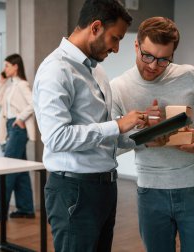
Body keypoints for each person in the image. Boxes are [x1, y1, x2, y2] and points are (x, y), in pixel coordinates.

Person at [32, 1, 149, 251]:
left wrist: (146, 137)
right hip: (74, 192)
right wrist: (117, 124)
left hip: (105, 188)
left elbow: (107, 140)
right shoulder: (56, 70)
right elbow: (57, 138)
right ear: (95, 27)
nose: (117, 49)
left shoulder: (98, 72)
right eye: (115, 39)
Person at [110, 17, 194, 252]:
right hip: (150, 191)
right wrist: (144, 135)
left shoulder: (190, 76)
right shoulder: (118, 87)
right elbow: (113, 143)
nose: (154, 65)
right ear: (136, 45)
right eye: (148, 56)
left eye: (164, 59)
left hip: (193, 188)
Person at [0, 53, 37, 220]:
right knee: (20, 169)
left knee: (6, 168)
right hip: (10, 128)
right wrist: (0, 83)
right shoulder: (10, 86)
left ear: (16, 66)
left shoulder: (22, 84)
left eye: (7, 65)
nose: (4, 69)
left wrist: (20, 118)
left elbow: (34, 103)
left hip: (17, 129)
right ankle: (26, 209)